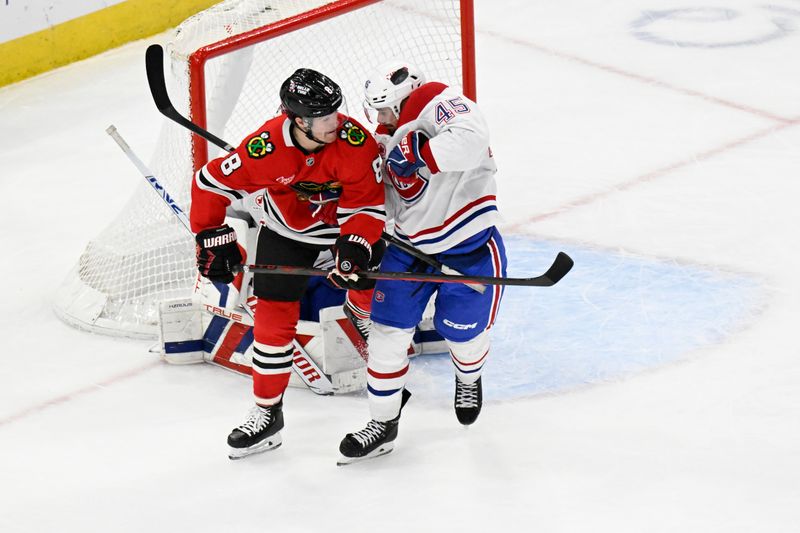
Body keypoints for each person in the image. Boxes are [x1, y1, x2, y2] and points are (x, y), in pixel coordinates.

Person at [190, 68, 386, 459]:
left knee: (370, 279)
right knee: (272, 319)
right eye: (323, 117)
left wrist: (355, 244)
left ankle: (360, 311)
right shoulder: (264, 149)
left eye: (335, 111)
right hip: (288, 231)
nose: (336, 121)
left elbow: (368, 205)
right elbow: (209, 183)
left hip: (343, 228)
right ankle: (267, 413)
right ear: (298, 120)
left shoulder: (356, 142)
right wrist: (213, 235)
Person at [338, 60, 508, 464]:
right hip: (408, 250)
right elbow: (381, 197)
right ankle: (382, 424)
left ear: (401, 101)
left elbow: (472, 138)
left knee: (462, 332)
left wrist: (422, 154)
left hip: (468, 245)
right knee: (386, 336)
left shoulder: (438, 101)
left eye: (384, 110)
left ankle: (468, 377)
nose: (380, 119)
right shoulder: (382, 140)